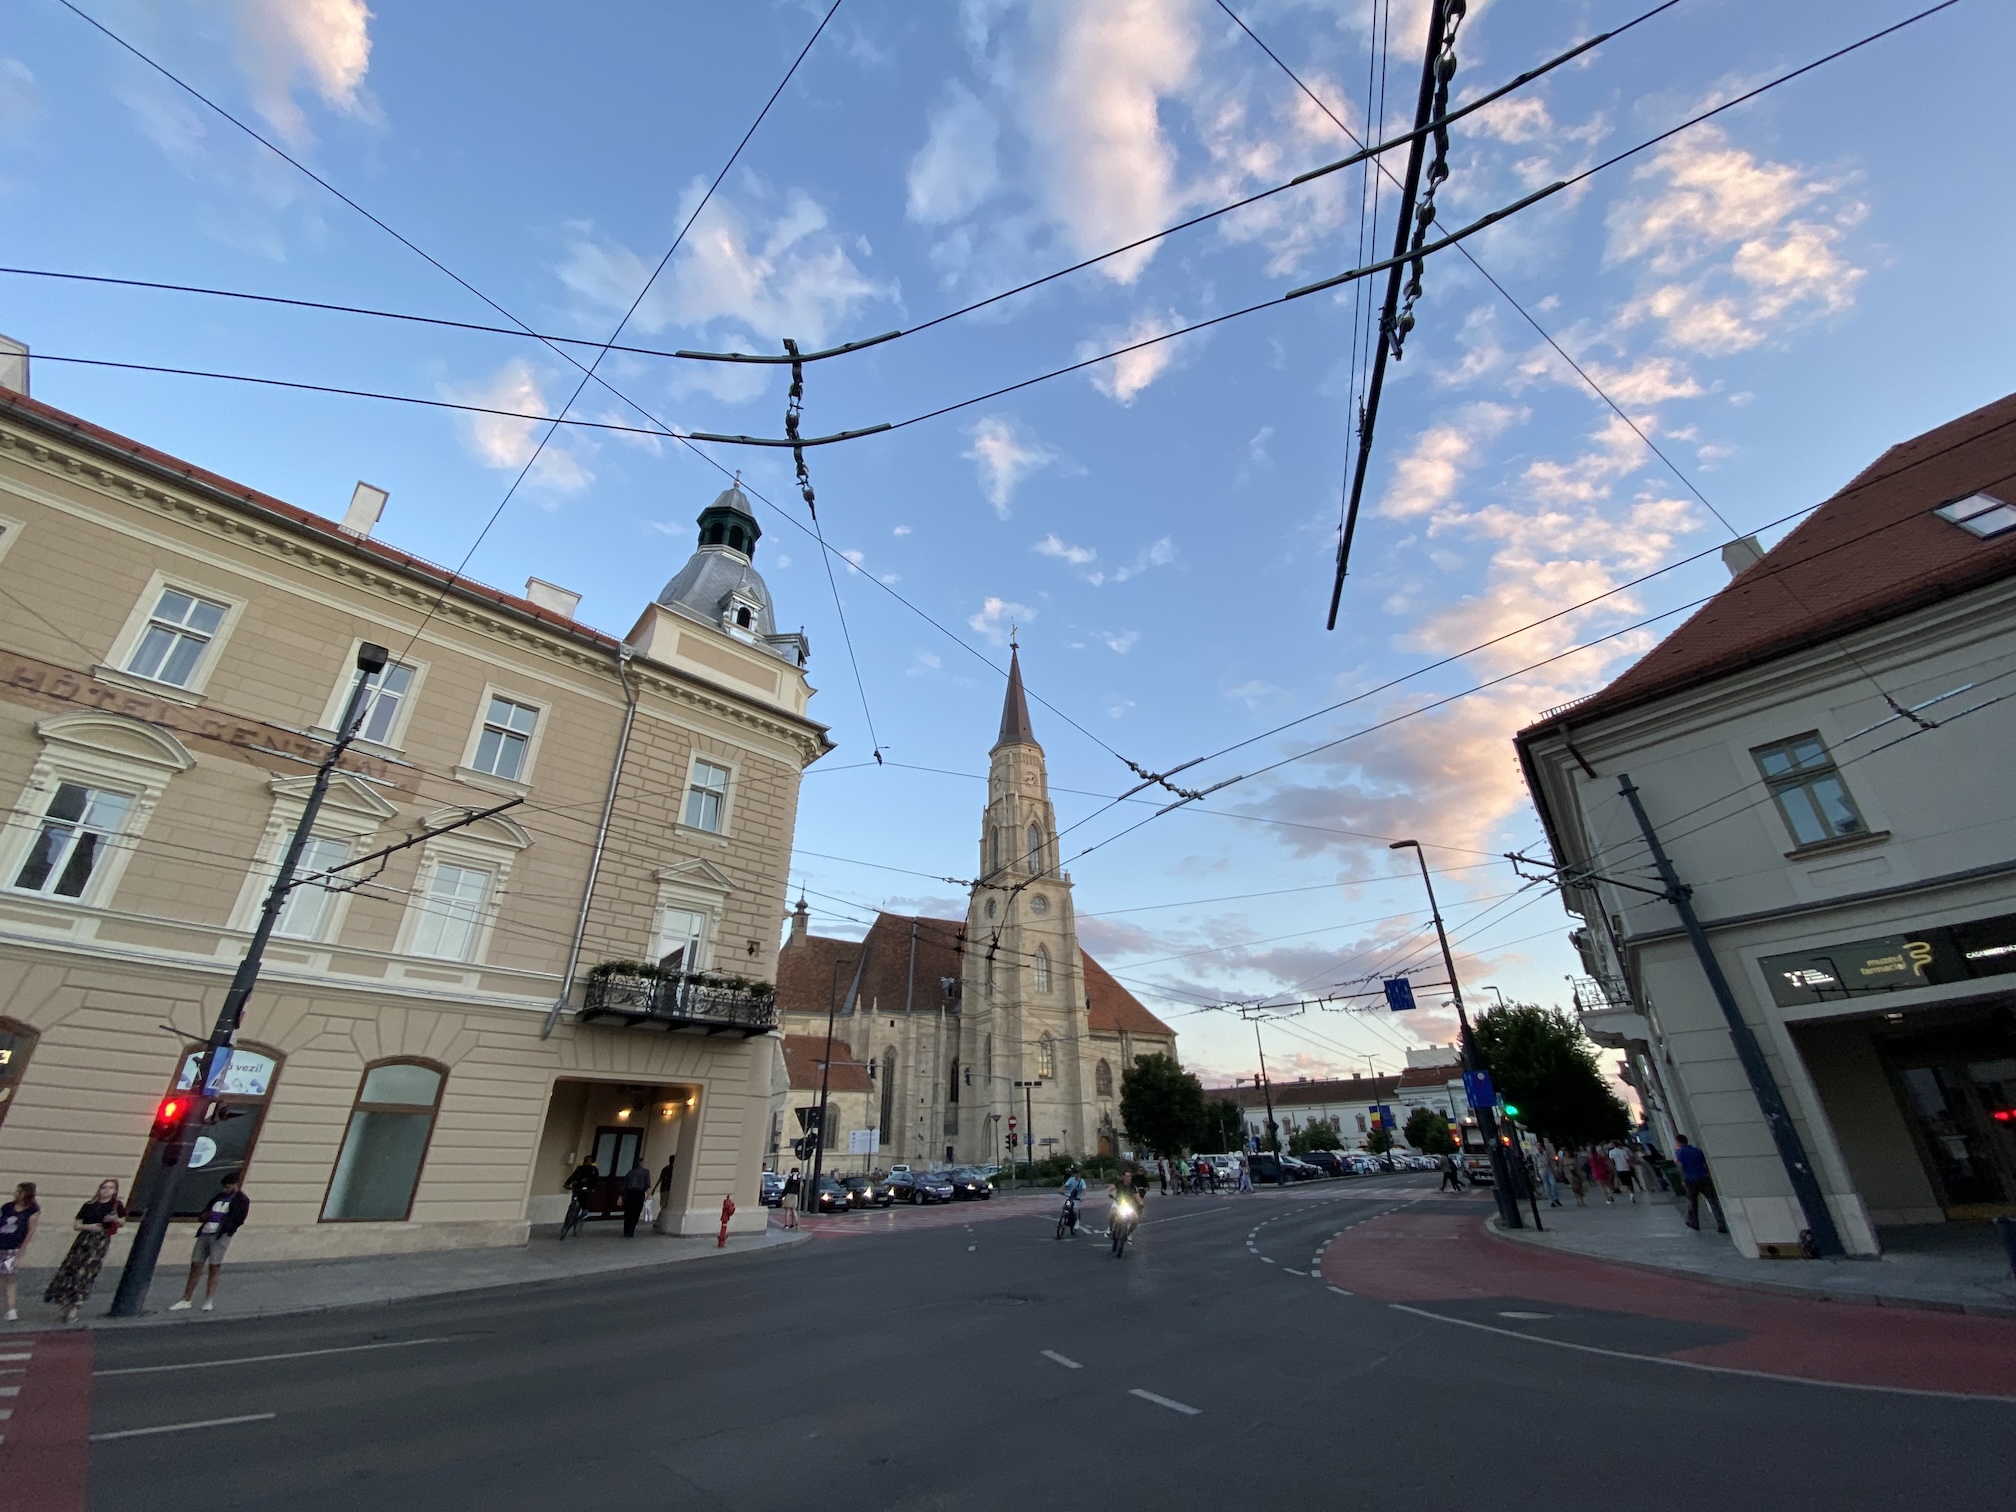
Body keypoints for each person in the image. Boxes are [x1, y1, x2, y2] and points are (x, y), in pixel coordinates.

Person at [45, 1178, 123, 1323]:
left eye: (111, 1188)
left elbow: (122, 1222)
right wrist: (88, 1227)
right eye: (104, 1187)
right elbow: (77, 1224)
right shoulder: (89, 1205)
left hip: (100, 1241)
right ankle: (64, 1304)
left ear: (115, 1190)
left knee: (85, 1272)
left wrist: (116, 1219)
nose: (107, 1190)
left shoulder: (116, 1205)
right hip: (84, 1239)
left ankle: (74, 1306)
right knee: (70, 1270)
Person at [169, 1172, 249, 1313]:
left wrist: (228, 1230)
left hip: (220, 1235)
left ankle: (208, 1300)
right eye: (224, 1187)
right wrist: (205, 1216)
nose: (224, 1190)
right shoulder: (217, 1198)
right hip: (206, 1232)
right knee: (196, 1264)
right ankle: (186, 1299)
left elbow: (239, 1219)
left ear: (235, 1185)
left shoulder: (241, 1200)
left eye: (227, 1187)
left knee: (214, 1266)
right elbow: (205, 1212)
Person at [1672, 1134, 1728, 1234]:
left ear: (1678, 1142)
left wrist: (1682, 1179)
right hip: (1703, 1178)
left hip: (1690, 1180)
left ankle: (1694, 1223)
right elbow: (1704, 1164)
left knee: (1692, 1202)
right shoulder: (1697, 1151)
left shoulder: (1680, 1152)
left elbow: (1680, 1166)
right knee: (1713, 1202)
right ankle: (1721, 1224)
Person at [0, 1182, 40, 1322]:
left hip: (13, 1248)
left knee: (9, 1278)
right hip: (1, 1242)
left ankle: (11, 1310)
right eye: (17, 1191)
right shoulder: (7, 1207)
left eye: (20, 1191)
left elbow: (30, 1232)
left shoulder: (32, 1210)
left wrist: (20, 1252)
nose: (16, 1193)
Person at [621, 1157, 654, 1238]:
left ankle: (626, 1231)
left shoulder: (630, 1172)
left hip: (630, 1193)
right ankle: (631, 1230)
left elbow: (624, 1185)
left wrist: (621, 1196)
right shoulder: (646, 1172)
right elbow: (647, 1184)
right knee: (636, 1212)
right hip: (639, 1193)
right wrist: (648, 1195)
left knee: (628, 1212)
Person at [1059, 1167, 1087, 1235]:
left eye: (1078, 1174)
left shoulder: (1082, 1181)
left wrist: (1084, 1196)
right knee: (1065, 1206)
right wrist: (1061, 1190)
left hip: (1077, 1198)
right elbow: (1065, 1185)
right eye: (1076, 1174)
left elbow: (1084, 1189)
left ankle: (1077, 1220)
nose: (1077, 1175)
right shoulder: (1071, 1179)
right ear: (1074, 1174)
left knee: (1075, 1210)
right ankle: (1064, 1216)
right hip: (1070, 1197)